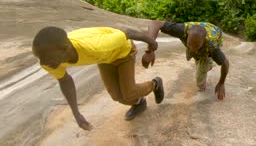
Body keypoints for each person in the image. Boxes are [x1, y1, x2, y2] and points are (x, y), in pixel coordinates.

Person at [32, 26, 165, 130]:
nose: (43, 62)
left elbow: (128, 32)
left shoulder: (96, 45)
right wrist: (76, 114)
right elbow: (64, 80)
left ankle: (155, 84)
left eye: (47, 58)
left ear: (65, 49)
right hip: (105, 58)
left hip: (123, 52)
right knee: (117, 96)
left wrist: (152, 47)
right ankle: (139, 103)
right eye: (39, 57)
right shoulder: (48, 62)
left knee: (128, 92)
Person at [144, 21, 229, 100]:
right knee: (194, 54)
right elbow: (155, 23)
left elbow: (225, 63)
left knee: (200, 81)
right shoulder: (182, 30)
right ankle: (201, 57)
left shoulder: (211, 46)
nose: (192, 49)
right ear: (187, 34)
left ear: (204, 41)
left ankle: (209, 62)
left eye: (196, 45)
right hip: (200, 33)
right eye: (189, 44)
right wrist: (150, 50)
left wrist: (221, 83)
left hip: (214, 35)